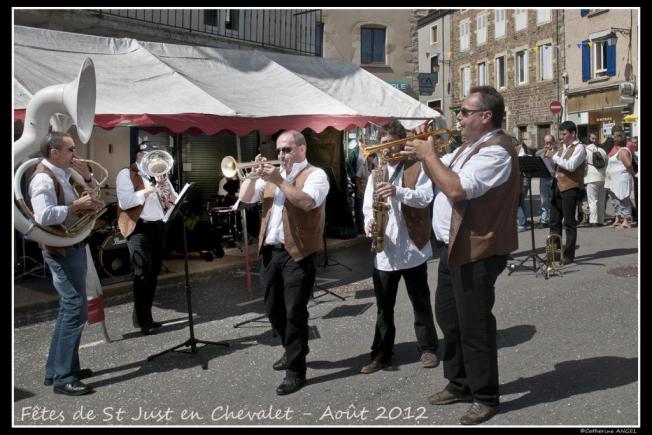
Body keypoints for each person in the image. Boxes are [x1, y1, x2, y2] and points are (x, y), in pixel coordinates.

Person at [403, 86, 520, 425]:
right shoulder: (468, 148)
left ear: (486, 116)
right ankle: (459, 383)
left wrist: (428, 154)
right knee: (449, 319)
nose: (459, 117)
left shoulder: (496, 151)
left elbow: (455, 188)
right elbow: (436, 179)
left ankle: (485, 396)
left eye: (465, 111)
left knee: (475, 326)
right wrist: (425, 152)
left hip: (477, 249)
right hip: (453, 248)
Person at [238, 130, 330, 396]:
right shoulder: (271, 176)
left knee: (294, 313)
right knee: (271, 309)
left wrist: (279, 181)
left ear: (301, 149)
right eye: (279, 150)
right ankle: (293, 349)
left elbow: (307, 202)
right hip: (271, 252)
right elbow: (245, 198)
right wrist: (253, 175)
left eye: (287, 150)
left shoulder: (315, 175)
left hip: (298, 253)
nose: (281, 155)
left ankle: (296, 370)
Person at [360, 120, 439, 375]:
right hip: (386, 250)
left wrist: (398, 191)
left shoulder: (418, 167)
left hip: (413, 247)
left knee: (420, 302)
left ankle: (428, 349)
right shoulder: (376, 172)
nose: (386, 149)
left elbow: (426, 198)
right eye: (382, 144)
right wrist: (369, 222)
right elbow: (366, 208)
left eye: (391, 143)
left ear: (400, 144)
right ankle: (381, 354)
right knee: (384, 307)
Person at [29, 131, 104, 396]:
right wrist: (75, 207)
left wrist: (85, 175)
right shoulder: (42, 178)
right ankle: (64, 377)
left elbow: (93, 192)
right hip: (61, 250)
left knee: (70, 310)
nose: (75, 154)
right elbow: (44, 215)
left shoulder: (61, 172)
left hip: (71, 245)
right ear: (55, 153)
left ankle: (58, 368)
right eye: (71, 149)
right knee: (75, 310)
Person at [116, 142, 178, 335]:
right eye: (148, 155)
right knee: (142, 274)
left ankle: (144, 317)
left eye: (155, 156)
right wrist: (150, 190)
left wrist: (166, 190)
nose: (153, 160)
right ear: (138, 156)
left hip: (158, 227)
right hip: (139, 229)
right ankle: (144, 321)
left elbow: (174, 200)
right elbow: (125, 202)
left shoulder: (159, 175)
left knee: (153, 274)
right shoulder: (125, 174)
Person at [545, 120, 586, 264]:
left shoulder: (580, 148)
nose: (561, 136)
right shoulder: (562, 148)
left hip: (570, 188)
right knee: (554, 222)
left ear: (573, 133)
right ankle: (554, 254)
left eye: (564, 134)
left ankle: (569, 255)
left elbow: (571, 166)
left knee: (569, 223)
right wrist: (549, 158)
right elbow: (555, 167)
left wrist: (554, 156)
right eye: (560, 134)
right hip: (556, 185)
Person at [604, 126, 636, 229]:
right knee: (616, 200)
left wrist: (632, 174)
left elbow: (628, 165)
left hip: (621, 179)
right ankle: (618, 219)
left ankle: (626, 220)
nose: (614, 140)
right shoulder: (619, 150)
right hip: (613, 180)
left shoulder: (624, 151)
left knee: (623, 198)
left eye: (615, 138)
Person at [583, 135, 608, 226]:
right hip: (602, 178)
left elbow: (583, 165)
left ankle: (594, 221)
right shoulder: (602, 150)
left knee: (593, 200)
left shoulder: (585, 151)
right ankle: (601, 220)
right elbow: (606, 163)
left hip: (591, 178)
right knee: (601, 200)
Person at [536, 135, 557, 228]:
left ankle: (552, 219)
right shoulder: (542, 152)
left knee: (553, 200)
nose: (548, 144)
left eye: (549, 142)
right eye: (546, 142)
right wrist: (544, 150)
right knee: (544, 201)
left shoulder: (557, 152)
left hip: (554, 178)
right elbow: (536, 155)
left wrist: (552, 154)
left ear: (553, 142)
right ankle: (544, 220)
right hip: (544, 178)